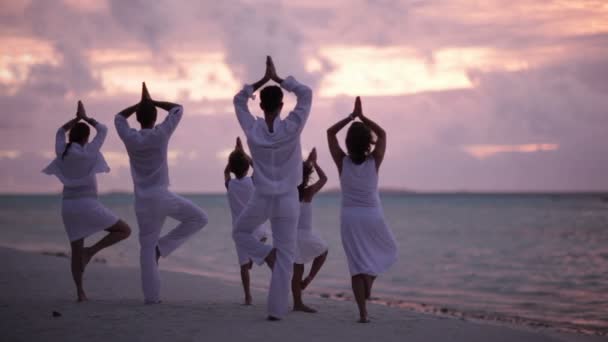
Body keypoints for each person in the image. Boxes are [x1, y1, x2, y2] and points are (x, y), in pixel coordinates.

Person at [232, 56, 313, 320]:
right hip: (288, 198)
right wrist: (279, 79)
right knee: (286, 255)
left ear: (263, 105)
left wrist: (258, 82)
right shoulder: (291, 126)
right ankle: (276, 311)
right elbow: (306, 93)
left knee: (240, 233)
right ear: (281, 105)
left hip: (262, 197)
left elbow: (238, 101)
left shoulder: (253, 129)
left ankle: (267, 255)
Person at [115, 83, 208, 304]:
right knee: (199, 218)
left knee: (147, 249)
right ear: (155, 117)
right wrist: (153, 102)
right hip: (162, 196)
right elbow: (178, 109)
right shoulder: (161, 133)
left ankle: (152, 297)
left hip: (143, 201)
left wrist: (140, 105)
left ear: (137, 119)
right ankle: (163, 247)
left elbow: (118, 118)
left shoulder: (131, 138)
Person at [43, 101, 131, 302]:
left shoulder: (61, 152)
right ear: (85, 138)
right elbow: (103, 129)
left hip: (68, 207)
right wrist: (85, 117)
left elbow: (59, 131)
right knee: (124, 230)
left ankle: (80, 293)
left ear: (72, 137)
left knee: (75, 250)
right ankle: (90, 252)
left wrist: (75, 119)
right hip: (88, 205)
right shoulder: (89, 151)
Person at [326, 96, 397, 323]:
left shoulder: (341, 162)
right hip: (372, 216)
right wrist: (362, 116)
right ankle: (370, 280)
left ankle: (363, 313)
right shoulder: (374, 161)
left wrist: (350, 117)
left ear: (348, 143)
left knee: (356, 266)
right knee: (387, 250)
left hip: (349, 219)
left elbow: (329, 133)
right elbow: (384, 134)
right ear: (368, 142)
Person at [224, 136, 271, 305]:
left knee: (244, 266)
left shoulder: (230, 186)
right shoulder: (253, 182)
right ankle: (257, 251)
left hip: (240, 230)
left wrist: (235, 155)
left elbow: (226, 172)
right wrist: (243, 153)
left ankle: (248, 296)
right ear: (246, 167)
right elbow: (257, 167)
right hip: (257, 228)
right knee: (261, 241)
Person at [292, 147, 328, 313]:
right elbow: (324, 178)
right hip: (304, 235)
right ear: (306, 177)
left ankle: (297, 302)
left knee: (297, 270)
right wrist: (314, 163)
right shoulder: (308, 192)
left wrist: (308, 163)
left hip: (291, 236)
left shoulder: (288, 193)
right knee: (323, 252)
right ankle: (309, 279)